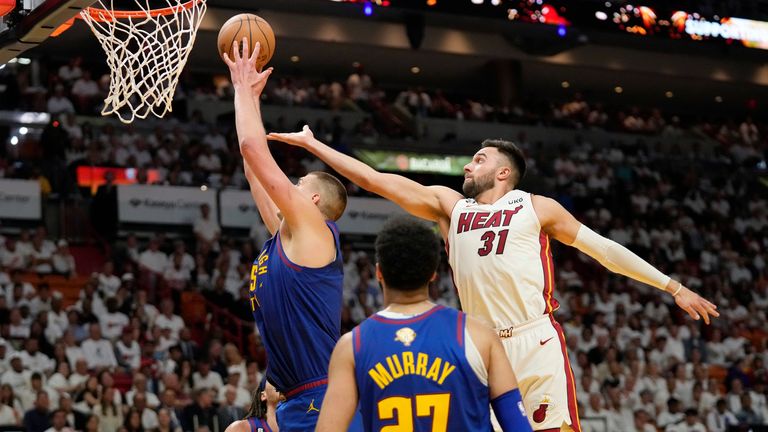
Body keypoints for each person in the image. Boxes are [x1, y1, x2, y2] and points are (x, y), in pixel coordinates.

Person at [267, 129, 720, 432]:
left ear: (503, 172)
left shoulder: (536, 206)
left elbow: (604, 250)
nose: (467, 166)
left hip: (534, 339)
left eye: (478, 160)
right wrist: (316, 146)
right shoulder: (450, 207)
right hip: (481, 349)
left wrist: (673, 287)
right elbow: (374, 178)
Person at [222, 39, 361, 432]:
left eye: (297, 183)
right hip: (290, 397)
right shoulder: (288, 237)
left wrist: (241, 88)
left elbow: (253, 148)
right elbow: (252, 165)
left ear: (313, 199)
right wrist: (252, 102)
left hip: (321, 397)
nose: (289, 187)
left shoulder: (315, 230)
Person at [317, 217, 532, 432]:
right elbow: (518, 425)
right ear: (433, 274)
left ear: (378, 272)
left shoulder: (352, 346)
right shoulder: (478, 335)